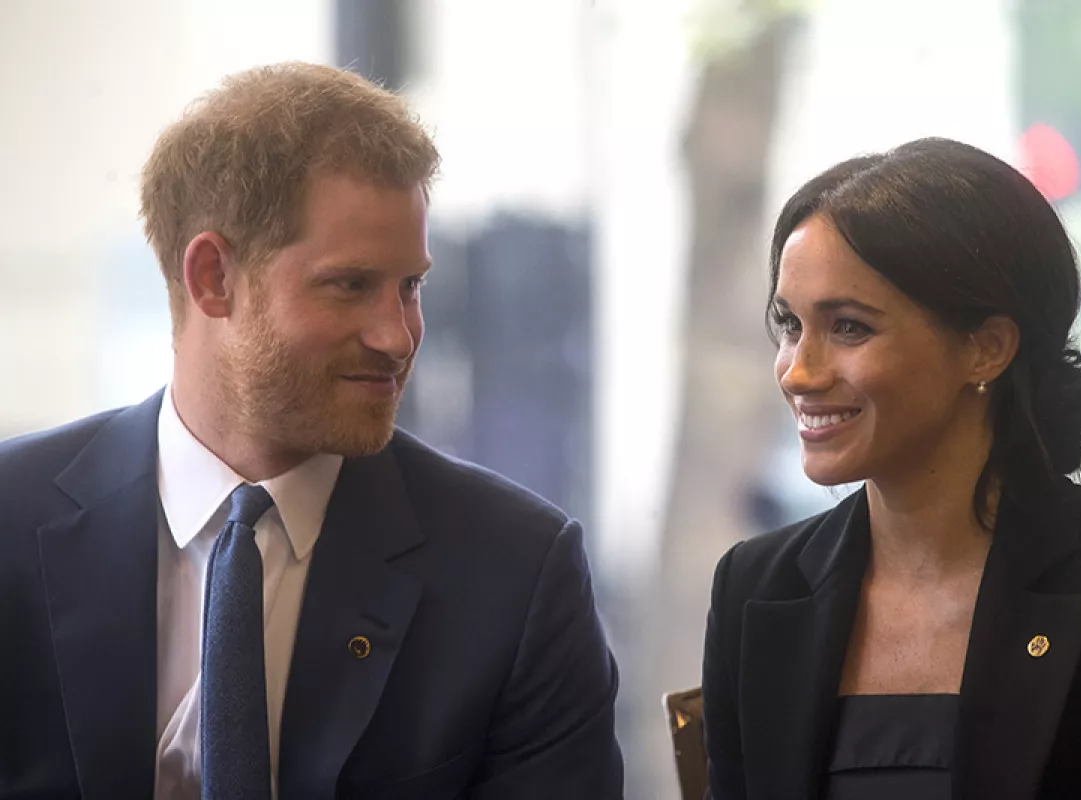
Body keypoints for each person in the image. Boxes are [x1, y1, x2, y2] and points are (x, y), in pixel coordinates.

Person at [0, 62, 622, 799]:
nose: (399, 336)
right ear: (213, 278)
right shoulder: (12, 521)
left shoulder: (514, 573)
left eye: (411, 286)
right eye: (351, 285)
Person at [702, 138, 1081, 799]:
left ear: (987, 349)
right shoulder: (756, 586)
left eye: (848, 328)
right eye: (789, 325)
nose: (799, 371)